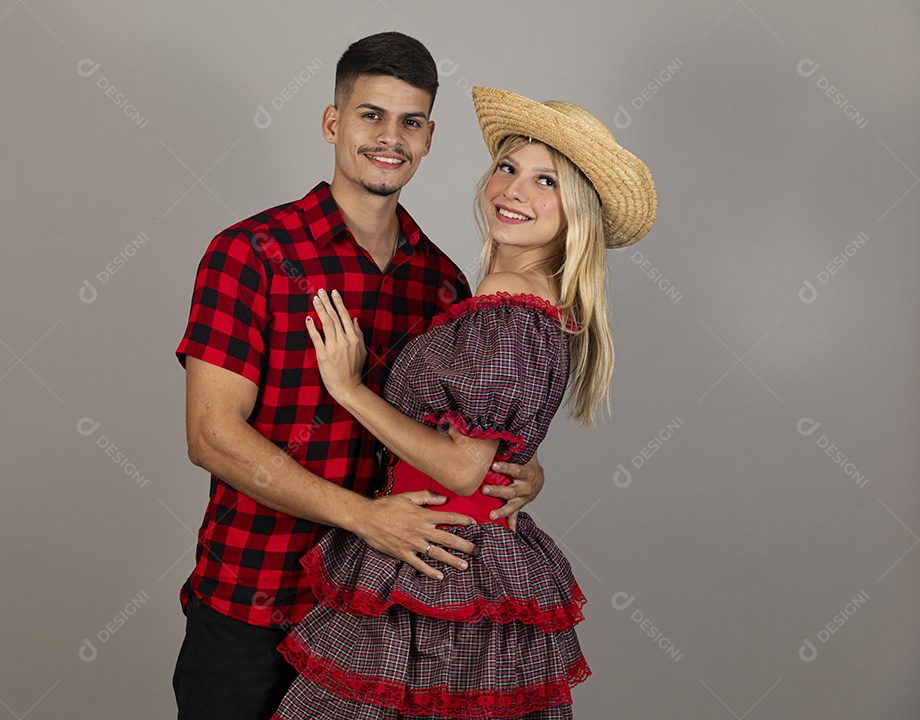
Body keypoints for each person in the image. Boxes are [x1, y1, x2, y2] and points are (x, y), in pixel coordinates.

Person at [172, 36, 548, 720]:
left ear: (430, 137)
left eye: (410, 122)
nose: (390, 138)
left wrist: (516, 472)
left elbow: (446, 440)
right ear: (332, 122)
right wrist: (366, 519)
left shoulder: (441, 282)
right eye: (371, 115)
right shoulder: (250, 253)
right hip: (253, 601)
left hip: (378, 625)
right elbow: (212, 435)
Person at [271, 86, 657, 719]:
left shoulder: (509, 300)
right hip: (459, 550)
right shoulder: (515, 301)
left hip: (439, 562)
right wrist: (523, 471)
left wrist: (348, 388)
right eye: (508, 167)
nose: (513, 190)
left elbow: (461, 468)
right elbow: (490, 454)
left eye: (546, 182)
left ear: (577, 213)